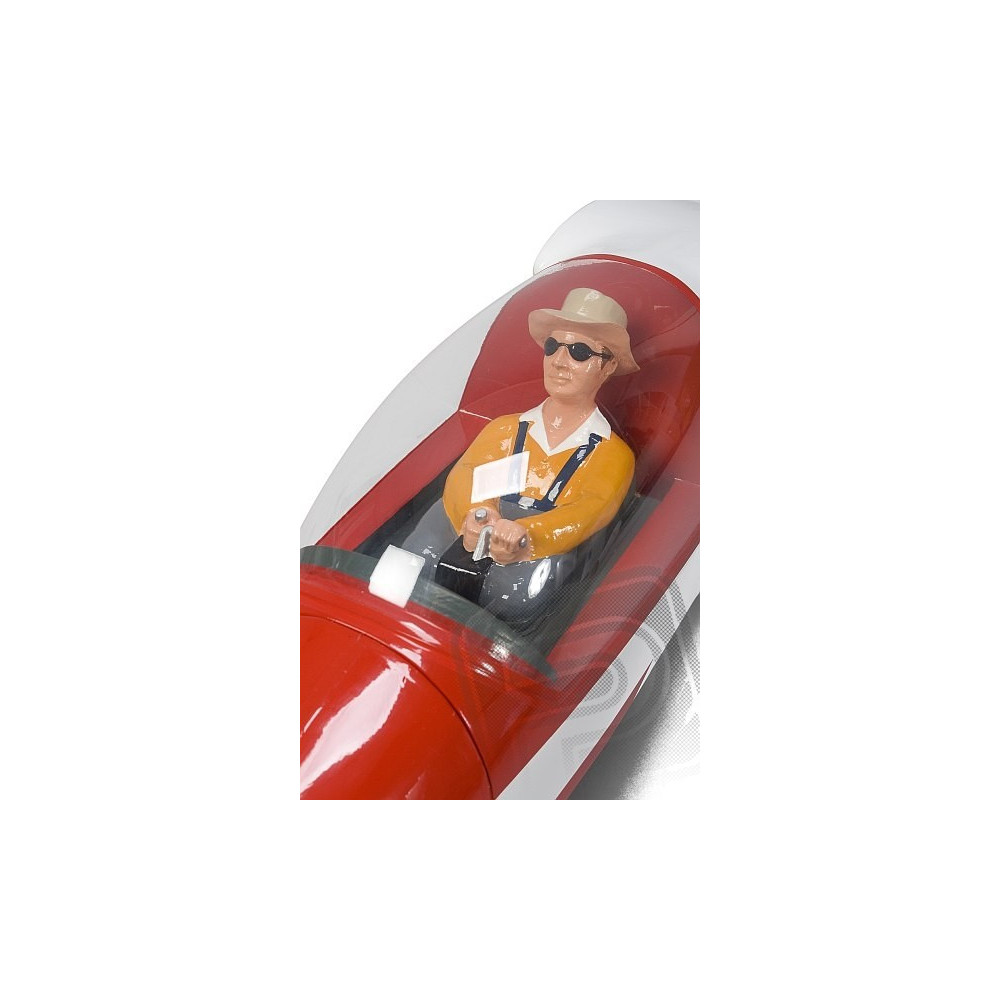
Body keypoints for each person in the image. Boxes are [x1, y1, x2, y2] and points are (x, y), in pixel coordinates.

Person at [405, 287, 638, 619]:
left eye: (579, 352)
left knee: (515, 596)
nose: (559, 361)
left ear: (608, 365)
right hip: (474, 526)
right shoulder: (504, 429)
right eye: (552, 346)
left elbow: (587, 511)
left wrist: (529, 535)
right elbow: (468, 473)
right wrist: (477, 513)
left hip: (540, 549)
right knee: (419, 554)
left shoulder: (612, 454)